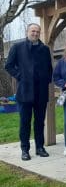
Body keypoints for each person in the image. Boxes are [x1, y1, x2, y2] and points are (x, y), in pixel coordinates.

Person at [5, 23, 52, 161]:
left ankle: (40, 148)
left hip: (41, 92)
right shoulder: (17, 47)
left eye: (38, 31)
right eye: (33, 31)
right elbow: (8, 66)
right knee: (25, 122)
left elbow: (49, 68)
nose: (35, 33)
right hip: (25, 92)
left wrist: (46, 80)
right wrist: (21, 76)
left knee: (39, 122)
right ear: (27, 32)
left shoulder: (44, 49)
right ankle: (25, 150)